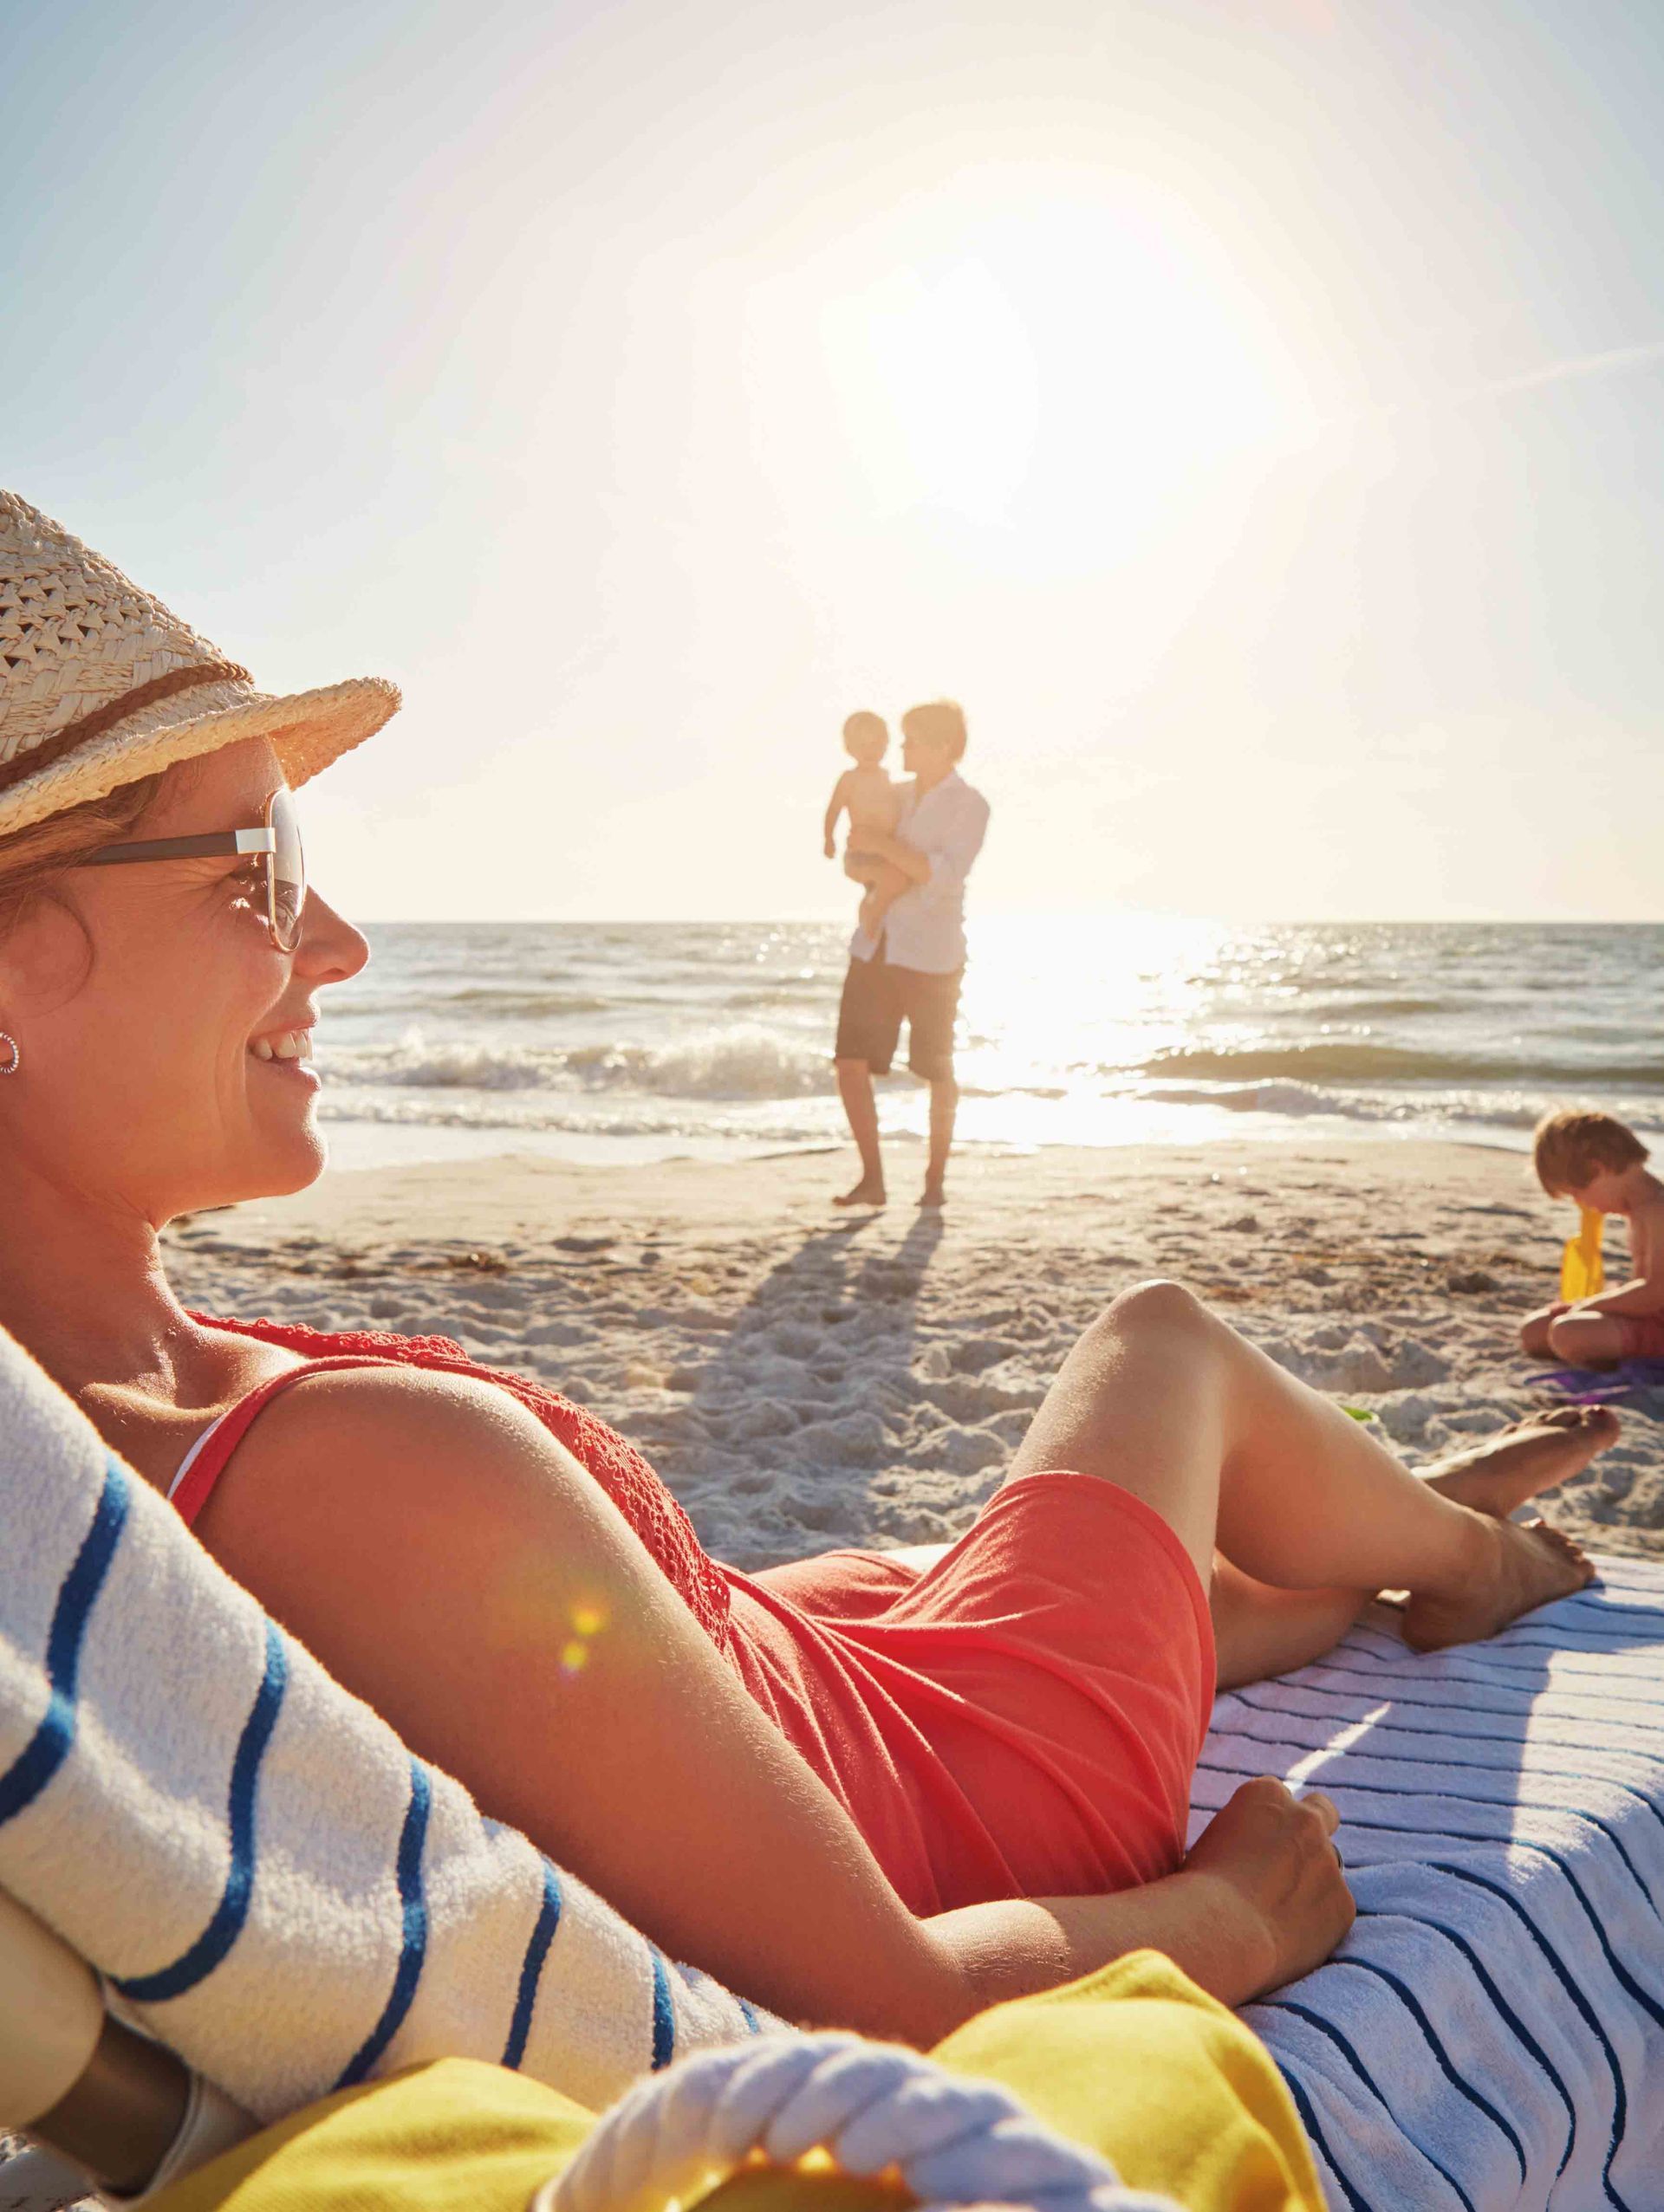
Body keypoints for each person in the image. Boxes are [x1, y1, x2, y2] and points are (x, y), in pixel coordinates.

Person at [0, 493, 1614, 2058]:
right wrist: (1238, 1916)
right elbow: (884, 2012)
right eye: (257, 868)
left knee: (949, 1559)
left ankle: (1351, 1539)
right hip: (949, 1777)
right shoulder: (361, 1480)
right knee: (1164, 1342)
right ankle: (1464, 1559)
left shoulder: (79, 1444)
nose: (337, 939)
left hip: (771, 1661)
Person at [831, 699, 989, 1212]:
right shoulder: (892, 795)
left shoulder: (970, 805)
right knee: (850, 1062)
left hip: (933, 956)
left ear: (942, 745)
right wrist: (875, 871)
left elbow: (943, 876)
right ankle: (872, 1180)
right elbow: (858, 850)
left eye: (912, 739)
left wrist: (887, 856)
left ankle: (934, 1182)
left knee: (935, 1069)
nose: (902, 748)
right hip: (875, 946)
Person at [1519, 1107, 1664, 1364]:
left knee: (1568, 1333)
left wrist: (1588, 1307)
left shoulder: (1658, 1209)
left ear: (1598, 1169)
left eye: (1577, 1193)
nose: (1582, 1204)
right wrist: (1590, 1305)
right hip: (1647, 1315)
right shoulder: (1637, 1210)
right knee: (1534, 1331)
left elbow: (1656, 1293)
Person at [822, 709, 907, 938]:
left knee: (887, 888)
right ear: (849, 748)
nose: (870, 750)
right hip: (860, 853)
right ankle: (868, 930)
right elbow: (833, 809)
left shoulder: (887, 778)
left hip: (885, 850)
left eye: (876, 744)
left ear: (886, 745)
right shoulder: (850, 779)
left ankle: (879, 929)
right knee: (884, 884)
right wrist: (828, 839)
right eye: (863, 745)